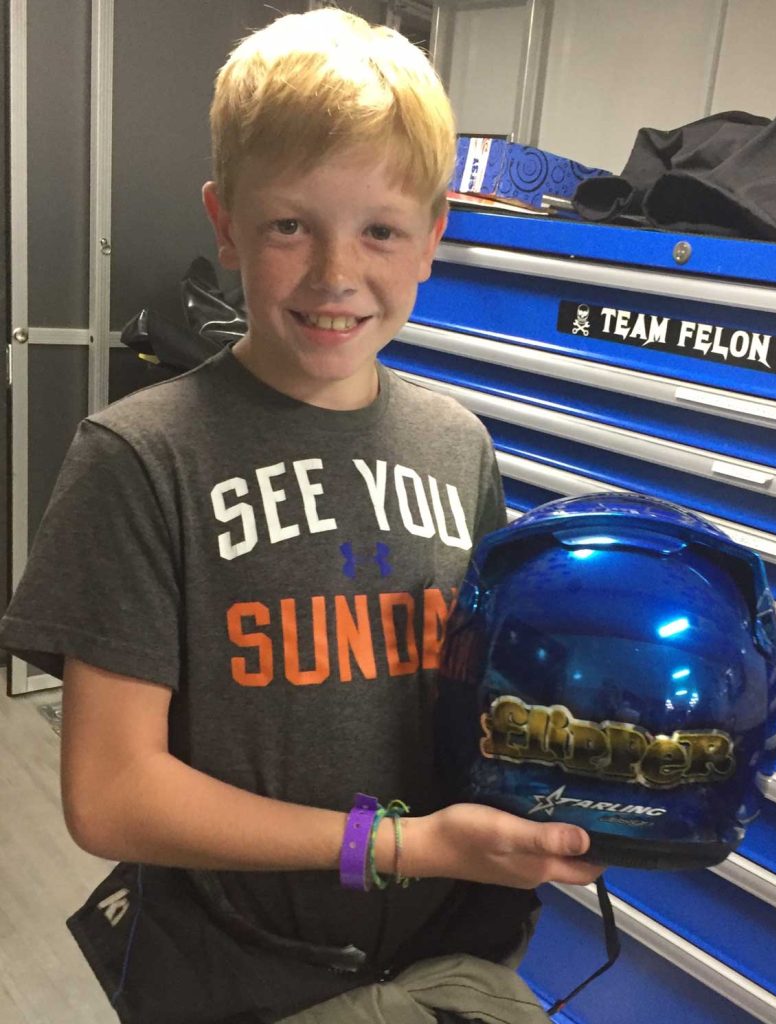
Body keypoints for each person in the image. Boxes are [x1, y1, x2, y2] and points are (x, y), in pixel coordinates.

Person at [0, 9, 602, 1022]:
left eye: (378, 230)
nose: (334, 274)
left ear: (430, 241)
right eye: (290, 225)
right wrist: (394, 845)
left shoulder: (460, 448)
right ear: (224, 223)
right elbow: (109, 792)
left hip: (441, 958)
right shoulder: (140, 458)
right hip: (234, 973)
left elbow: (477, 700)